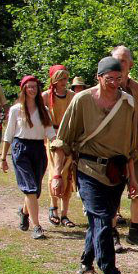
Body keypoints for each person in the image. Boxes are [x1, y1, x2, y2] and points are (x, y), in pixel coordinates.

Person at [49, 56, 138, 274]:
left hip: (116, 172)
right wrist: (57, 174)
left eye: (119, 78)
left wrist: (132, 178)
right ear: (98, 77)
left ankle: (85, 265)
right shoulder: (82, 100)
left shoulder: (128, 103)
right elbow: (63, 140)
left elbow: (131, 145)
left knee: (101, 221)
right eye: (109, 79)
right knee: (102, 219)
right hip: (88, 169)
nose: (114, 83)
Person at [0, 76, 56, 240]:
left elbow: (50, 133)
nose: (32, 90)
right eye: (29, 87)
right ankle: (37, 226)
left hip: (39, 149)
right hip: (21, 149)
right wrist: (3, 158)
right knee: (30, 188)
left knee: (35, 191)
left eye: (34, 87)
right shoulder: (16, 110)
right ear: (23, 89)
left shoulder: (44, 110)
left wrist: (60, 146)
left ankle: (24, 212)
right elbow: (9, 134)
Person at [111, 46, 138, 253]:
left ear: (131, 65)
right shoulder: (105, 87)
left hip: (134, 145)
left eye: (123, 61)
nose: (119, 64)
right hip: (110, 146)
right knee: (112, 189)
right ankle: (111, 233)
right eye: (116, 60)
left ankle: (135, 231)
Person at [41, 65, 77, 227]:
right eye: (61, 78)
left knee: (67, 174)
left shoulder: (72, 96)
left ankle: (64, 213)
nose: (64, 82)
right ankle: (53, 207)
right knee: (54, 174)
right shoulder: (45, 96)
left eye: (65, 78)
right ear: (54, 79)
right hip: (52, 138)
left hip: (68, 137)